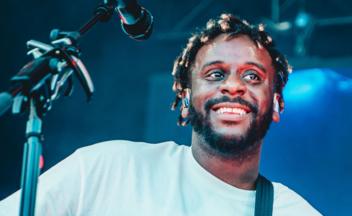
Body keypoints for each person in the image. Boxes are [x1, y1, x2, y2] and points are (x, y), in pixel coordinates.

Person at [0, 13, 321, 216]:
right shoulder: (106, 169)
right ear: (185, 97)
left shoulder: (290, 211)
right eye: (215, 74)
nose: (233, 86)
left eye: (252, 76)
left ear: (276, 103)